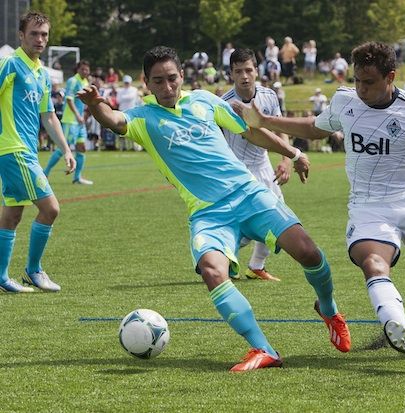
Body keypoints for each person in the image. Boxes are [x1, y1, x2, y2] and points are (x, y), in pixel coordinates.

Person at [233, 42, 405, 359]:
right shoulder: (344, 101)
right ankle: (398, 328)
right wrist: (266, 120)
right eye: (357, 81)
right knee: (373, 263)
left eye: (369, 82)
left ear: (390, 76)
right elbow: (314, 127)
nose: (361, 89)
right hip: (368, 205)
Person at [77, 46, 350, 371]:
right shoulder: (143, 118)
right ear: (146, 83)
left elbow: (250, 131)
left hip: (250, 194)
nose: (167, 87)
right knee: (212, 270)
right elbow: (114, 119)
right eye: (158, 81)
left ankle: (329, 309)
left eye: (172, 78)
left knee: (308, 252)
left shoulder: (205, 100)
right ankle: (263, 349)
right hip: (209, 214)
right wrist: (96, 106)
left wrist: (293, 153)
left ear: (183, 76)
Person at [0, 11, 76, 293]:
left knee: (12, 215)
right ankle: (33, 270)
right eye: (34, 33)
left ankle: (2, 277)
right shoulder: (9, 65)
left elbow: (49, 116)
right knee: (50, 208)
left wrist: (65, 148)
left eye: (44, 34)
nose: (40, 39)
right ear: (21, 35)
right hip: (14, 148)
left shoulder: (42, 74)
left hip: (26, 151)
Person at [220, 48, 291, 281]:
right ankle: (216, 259)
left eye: (248, 70)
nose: (244, 76)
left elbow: (281, 129)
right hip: (238, 171)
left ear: (257, 71)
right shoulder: (223, 104)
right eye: (238, 71)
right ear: (231, 73)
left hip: (264, 166)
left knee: (278, 217)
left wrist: (285, 160)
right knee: (249, 226)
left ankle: (256, 266)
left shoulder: (269, 96)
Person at [43, 60, 93, 184]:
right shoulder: (73, 81)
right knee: (63, 148)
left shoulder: (86, 82)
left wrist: (85, 115)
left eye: (87, 69)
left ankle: (77, 178)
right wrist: (77, 116)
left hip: (80, 122)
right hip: (70, 121)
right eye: (82, 69)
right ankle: (45, 174)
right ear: (78, 69)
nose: (85, 71)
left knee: (81, 148)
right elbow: (69, 100)